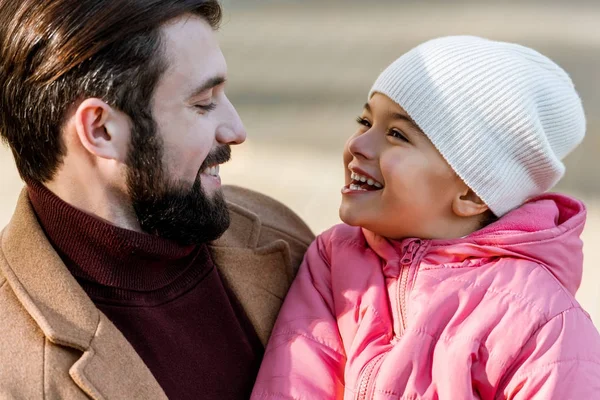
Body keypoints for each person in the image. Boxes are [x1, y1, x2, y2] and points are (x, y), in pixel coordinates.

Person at [251, 36, 600, 399]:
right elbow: (292, 384)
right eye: (365, 121)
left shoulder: (540, 321)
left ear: (471, 193)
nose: (358, 144)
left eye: (396, 135)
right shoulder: (335, 259)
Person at [0, 1, 313, 399]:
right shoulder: (12, 368)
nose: (236, 130)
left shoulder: (285, 237)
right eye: (203, 103)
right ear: (101, 130)